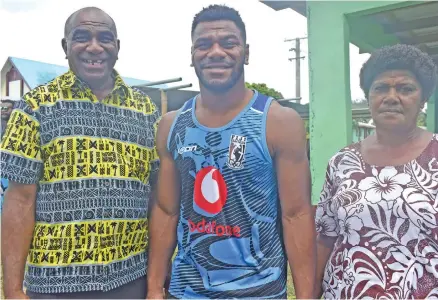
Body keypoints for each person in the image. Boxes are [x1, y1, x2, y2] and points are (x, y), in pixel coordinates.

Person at [147, 4, 316, 299]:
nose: (215, 52)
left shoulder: (278, 122)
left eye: (228, 43)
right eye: (203, 44)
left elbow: (296, 215)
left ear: (246, 53)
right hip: (188, 291)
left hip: (259, 292)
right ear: (192, 55)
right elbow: (166, 209)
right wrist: (153, 288)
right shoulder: (171, 125)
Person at [1, 7, 160, 299]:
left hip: (130, 279)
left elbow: (157, 198)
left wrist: (154, 285)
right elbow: (19, 201)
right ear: (65, 47)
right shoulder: (36, 106)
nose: (94, 47)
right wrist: (12, 290)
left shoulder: (146, 110)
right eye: (82, 37)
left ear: (117, 48)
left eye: (105, 38)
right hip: (55, 286)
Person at [314, 44, 438, 299]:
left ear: (423, 99)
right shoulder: (342, 161)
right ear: (369, 96)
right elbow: (325, 239)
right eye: (381, 88)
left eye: (406, 89)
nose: (391, 97)